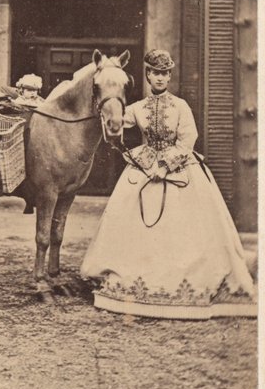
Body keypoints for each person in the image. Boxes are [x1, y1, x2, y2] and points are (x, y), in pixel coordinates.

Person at [81, 49, 256, 319]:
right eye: (155, 73)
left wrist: (164, 166)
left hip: (178, 170)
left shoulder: (180, 106)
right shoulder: (137, 108)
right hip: (144, 163)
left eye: (164, 73)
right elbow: (115, 121)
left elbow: (188, 139)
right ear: (148, 75)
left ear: (169, 76)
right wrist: (109, 118)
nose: (160, 78)